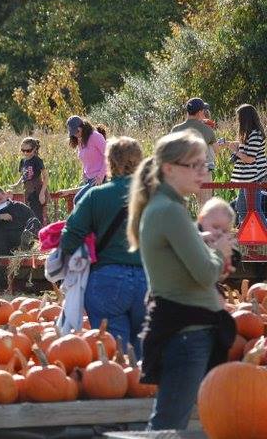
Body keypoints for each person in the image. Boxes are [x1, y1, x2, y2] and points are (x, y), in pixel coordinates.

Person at [127, 131, 236, 431]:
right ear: (169, 169)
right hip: (187, 331)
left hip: (183, 326)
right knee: (167, 425)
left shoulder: (166, 208)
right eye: (195, 165)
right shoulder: (170, 211)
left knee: (169, 421)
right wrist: (219, 252)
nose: (204, 171)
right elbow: (204, 273)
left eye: (204, 164)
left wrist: (204, 246)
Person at [59, 137, 146, 357]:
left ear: (110, 162)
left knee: (115, 352)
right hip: (150, 279)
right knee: (146, 352)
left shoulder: (95, 196)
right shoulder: (155, 195)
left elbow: (69, 237)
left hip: (106, 280)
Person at [0, 186, 37, 282]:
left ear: (5, 195)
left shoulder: (19, 206)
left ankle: (25, 244)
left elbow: (34, 220)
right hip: (2, 245)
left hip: (20, 243)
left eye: (0, 199)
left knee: (31, 226)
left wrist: (29, 233)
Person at [171, 98, 218, 206]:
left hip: (181, 172)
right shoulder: (207, 130)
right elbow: (216, 150)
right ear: (201, 112)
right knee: (204, 206)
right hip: (202, 173)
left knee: (179, 206)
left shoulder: (176, 129)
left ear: (187, 111)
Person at [227, 104, 267, 223]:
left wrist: (235, 151)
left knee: (254, 209)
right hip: (247, 177)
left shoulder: (255, 134)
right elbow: (246, 147)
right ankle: (248, 235)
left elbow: (250, 159)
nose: (237, 120)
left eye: (238, 117)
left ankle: (261, 234)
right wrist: (232, 144)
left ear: (245, 118)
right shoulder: (249, 134)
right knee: (241, 207)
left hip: (253, 177)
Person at [66, 116, 107, 204]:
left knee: (78, 200)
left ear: (82, 127)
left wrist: (100, 177)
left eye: (76, 131)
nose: (75, 134)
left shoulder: (95, 136)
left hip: (99, 179)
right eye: (73, 133)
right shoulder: (80, 140)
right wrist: (84, 173)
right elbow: (85, 158)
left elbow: (108, 156)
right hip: (88, 179)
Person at [10, 137, 49, 226]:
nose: (25, 153)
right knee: (29, 215)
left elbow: (45, 177)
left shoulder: (37, 160)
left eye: (28, 150)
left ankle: (39, 236)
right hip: (27, 191)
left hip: (36, 191)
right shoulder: (23, 161)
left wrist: (42, 193)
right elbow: (24, 175)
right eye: (23, 150)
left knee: (37, 216)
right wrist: (17, 184)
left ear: (34, 149)